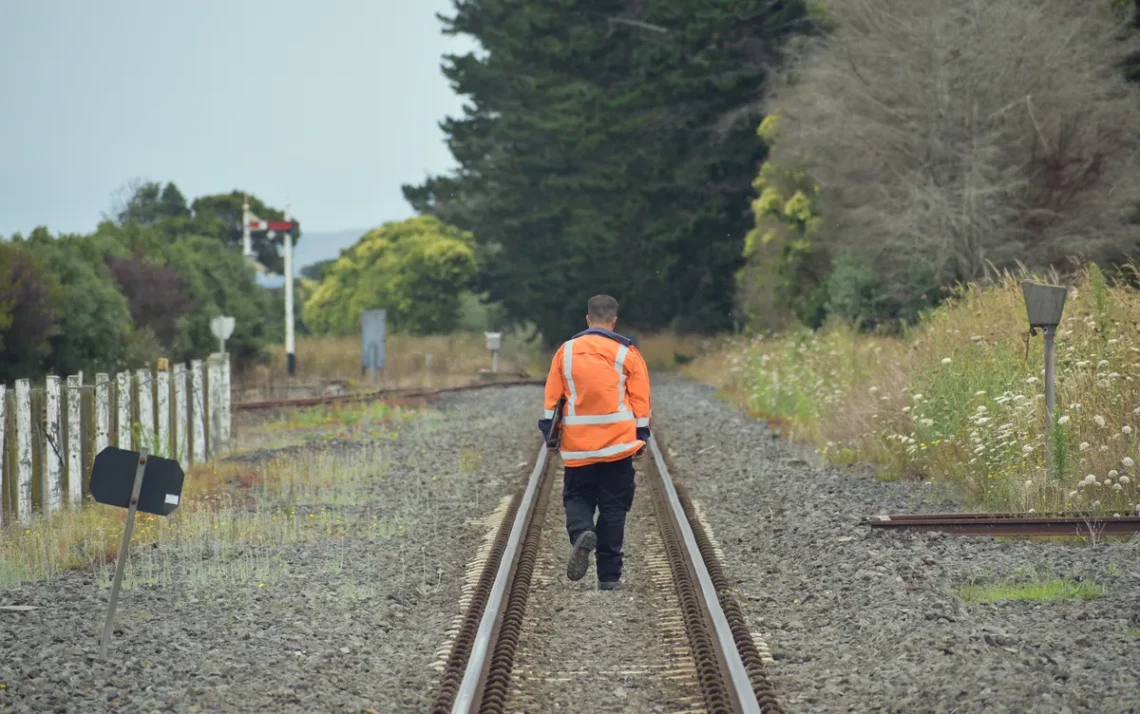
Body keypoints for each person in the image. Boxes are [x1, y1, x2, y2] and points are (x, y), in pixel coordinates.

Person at [538, 295, 652, 591]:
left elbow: (552, 400)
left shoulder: (566, 352)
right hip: (618, 445)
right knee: (614, 506)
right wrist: (641, 438)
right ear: (613, 321)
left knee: (577, 497)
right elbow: (641, 401)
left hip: (578, 447)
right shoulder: (627, 353)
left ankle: (582, 533)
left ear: (587, 319)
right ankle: (609, 576)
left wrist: (549, 435)